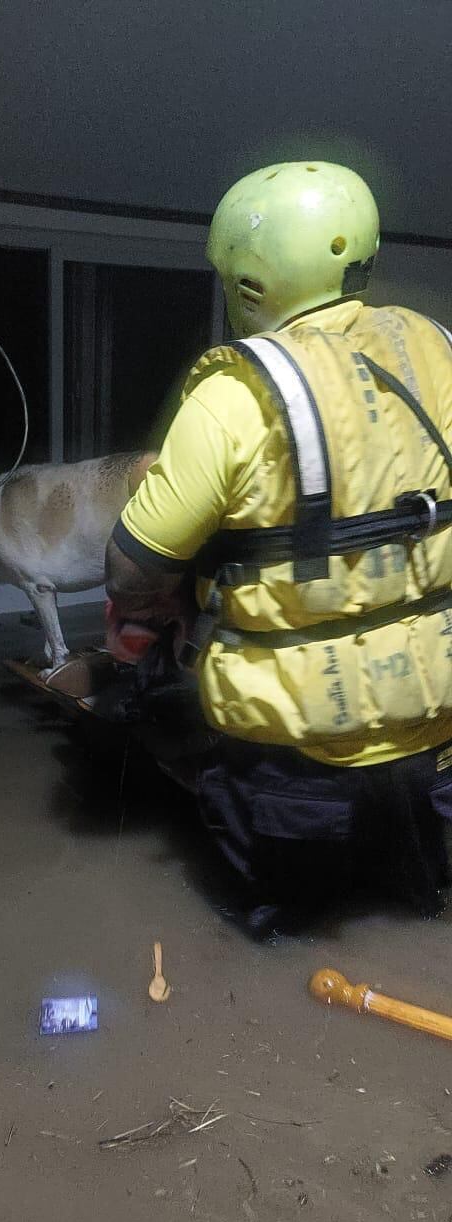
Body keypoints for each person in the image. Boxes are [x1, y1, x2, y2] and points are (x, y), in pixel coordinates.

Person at [105, 161, 452, 937]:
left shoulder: (236, 394)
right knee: (417, 906)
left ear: (251, 280)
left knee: (278, 930)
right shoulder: (439, 351)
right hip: (432, 727)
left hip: (290, 755)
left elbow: (127, 575)